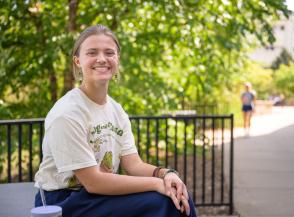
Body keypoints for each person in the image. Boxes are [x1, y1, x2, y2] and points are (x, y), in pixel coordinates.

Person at [34, 24, 196, 217]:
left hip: (96, 195)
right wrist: (157, 184)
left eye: (109, 52)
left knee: (178, 194)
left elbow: (133, 165)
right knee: (162, 200)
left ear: (117, 60)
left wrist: (167, 175)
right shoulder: (67, 113)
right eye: (92, 52)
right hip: (63, 201)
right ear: (78, 61)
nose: (102, 59)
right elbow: (94, 182)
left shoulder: (116, 111)